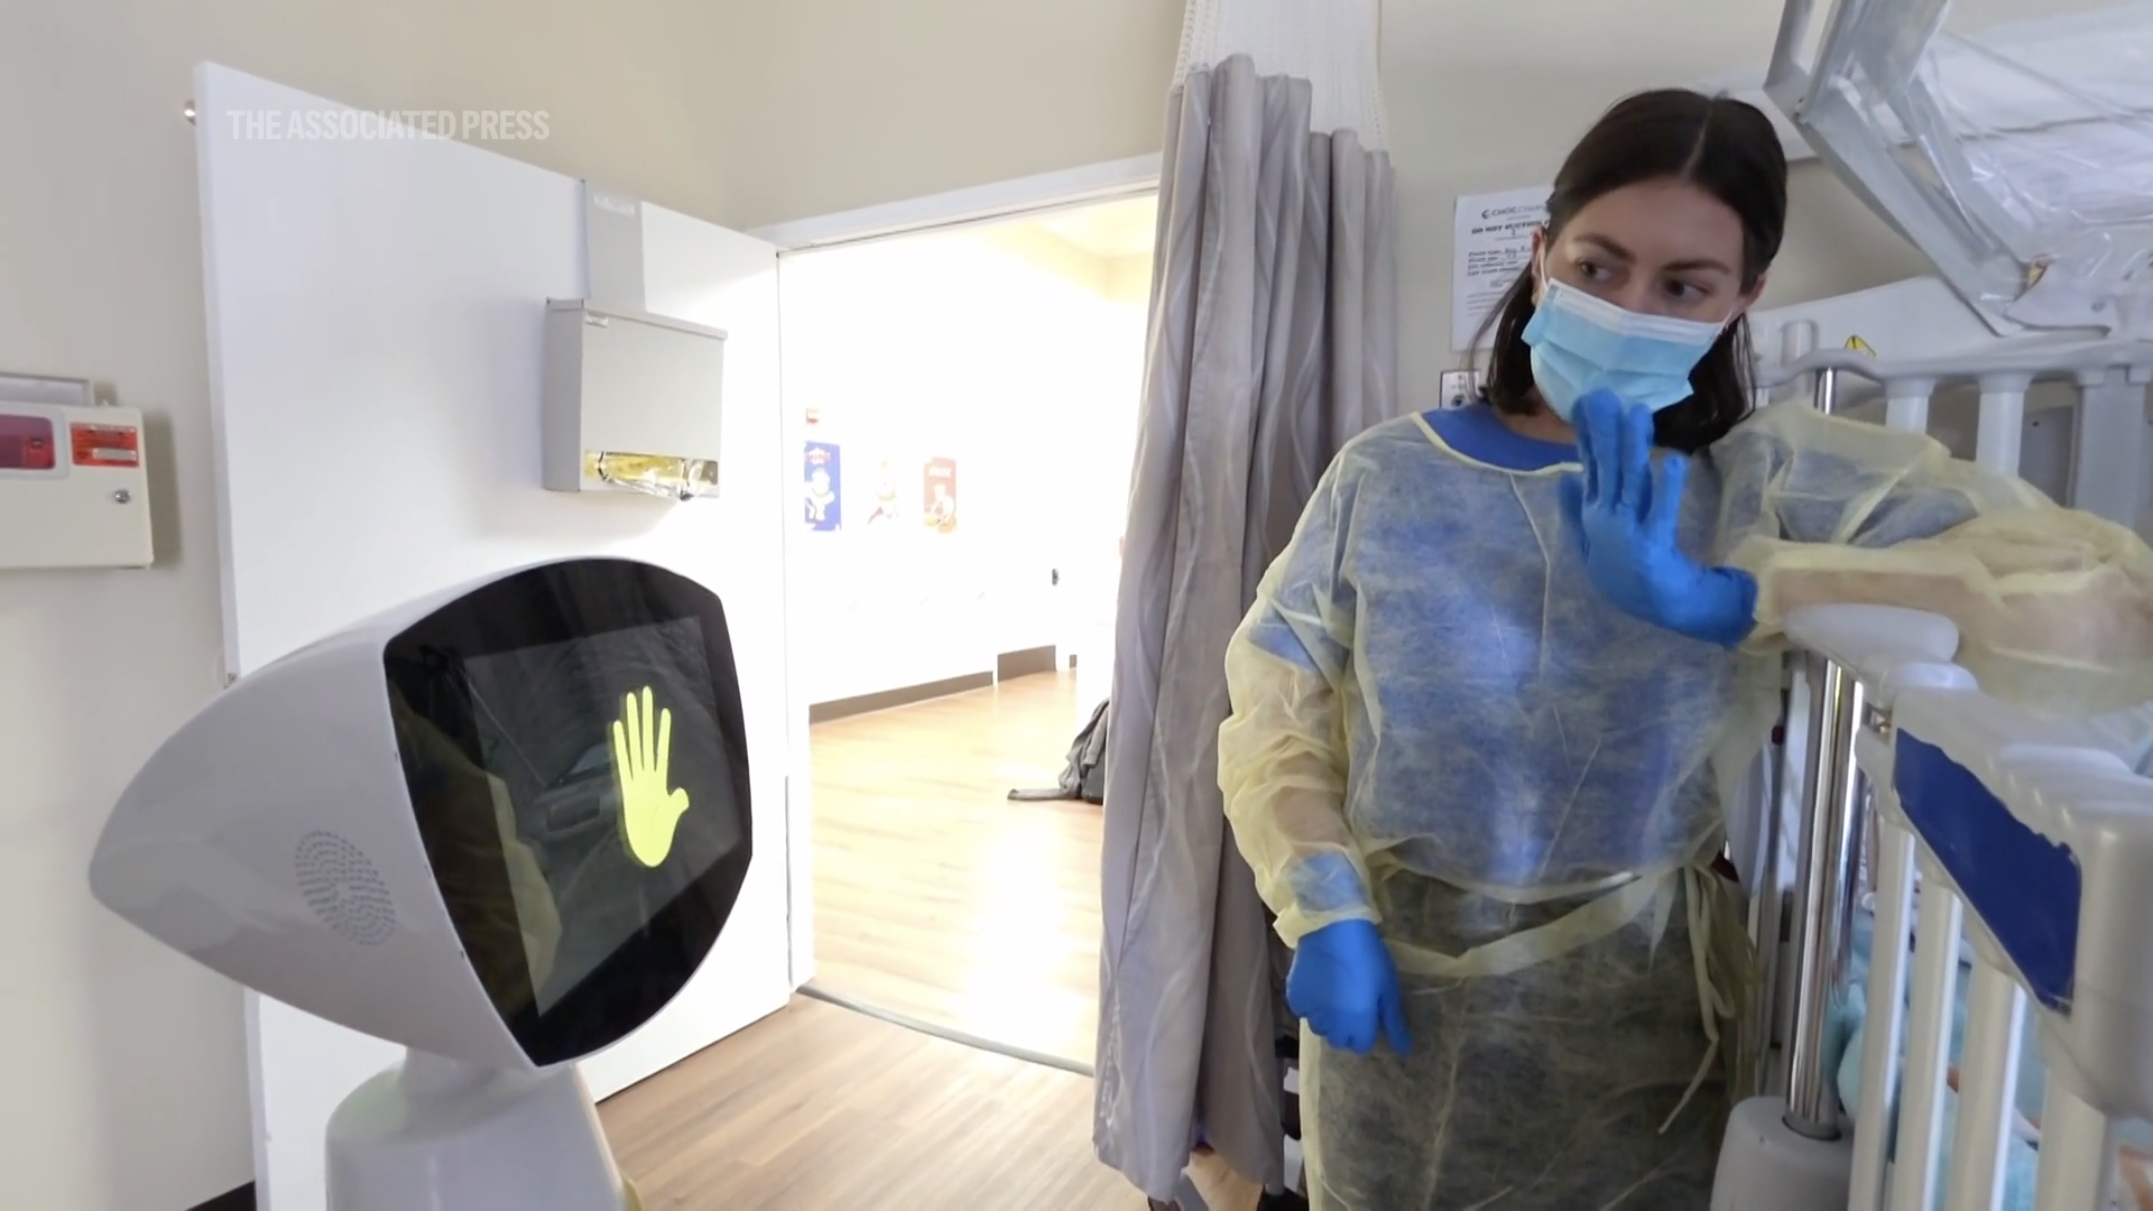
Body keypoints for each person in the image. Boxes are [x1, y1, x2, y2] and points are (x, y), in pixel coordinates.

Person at [1219, 88, 2153, 1209]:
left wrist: (1738, 594)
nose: (1624, 307)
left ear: (1741, 299)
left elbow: (2112, 605)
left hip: (1638, 1027)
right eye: (1596, 266)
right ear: (1537, 256)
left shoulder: (1754, 486)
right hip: (1393, 991)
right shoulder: (1382, 475)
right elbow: (1278, 709)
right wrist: (1323, 904)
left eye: (1681, 285)